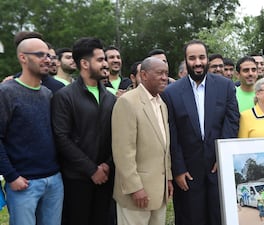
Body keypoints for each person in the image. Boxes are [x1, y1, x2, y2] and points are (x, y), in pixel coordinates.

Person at [161, 39, 239, 225]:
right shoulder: (171, 92)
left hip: (217, 166)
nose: (198, 62)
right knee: (190, 218)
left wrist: (223, 156)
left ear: (207, 59)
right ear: (186, 60)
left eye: (202, 57)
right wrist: (178, 169)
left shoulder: (225, 86)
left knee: (219, 217)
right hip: (188, 171)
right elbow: (171, 132)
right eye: (192, 58)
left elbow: (232, 122)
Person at [51, 37, 116, 225]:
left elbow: (117, 137)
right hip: (77, 180)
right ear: (84, 64)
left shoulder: (110, 98)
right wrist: (91, 169)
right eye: (100, 59)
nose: (106, 64)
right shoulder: (64, 97)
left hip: (106, 178)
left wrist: (107, 165)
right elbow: (61, 138)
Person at [0, 36, 63, 225]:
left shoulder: (48, 94)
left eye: (48, 55)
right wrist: (12, 176)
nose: (47, 59)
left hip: (54, 180)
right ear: (23, 58)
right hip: (23, 184)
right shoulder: (6, 92)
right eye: (39, 54)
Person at [112, 57, 173, 225]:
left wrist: (168, 177)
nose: (164, 77)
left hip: (158, 191)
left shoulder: (162, 104)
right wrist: (135, 188)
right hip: (137, 194)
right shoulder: (127, 102)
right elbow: (123, 151)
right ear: (144, 75)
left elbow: (163, 145)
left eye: (166, 73)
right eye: (159, 73)